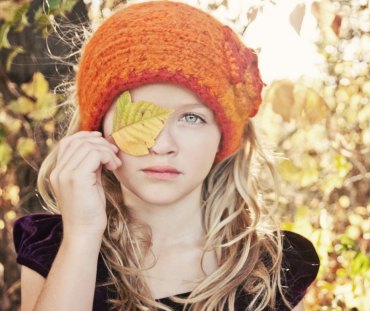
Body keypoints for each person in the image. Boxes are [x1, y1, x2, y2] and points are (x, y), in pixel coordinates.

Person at [13, 1, 320, 310]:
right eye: (138, 115)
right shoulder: (54, 248)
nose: (161, 145)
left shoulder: (272, 267)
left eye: (191, 118)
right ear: (98, 129)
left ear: (222, 138)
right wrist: (82, 236)